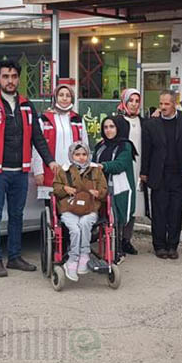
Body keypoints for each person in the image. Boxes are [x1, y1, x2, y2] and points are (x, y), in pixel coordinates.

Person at [0, 59, 59, 278]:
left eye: (13, 76)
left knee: (16, 215)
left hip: (20, 172)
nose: (10, 81)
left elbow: (38, 138)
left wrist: (50, 161)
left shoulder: (27, 105)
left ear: (18, 79)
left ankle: (14, 257)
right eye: (5, 76)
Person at [140, 90, 182, 259]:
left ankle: (173, 245)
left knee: (176, 211)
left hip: (180, 174)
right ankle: (159, 245)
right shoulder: (151, 124)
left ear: (174, 104)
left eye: (167, 104)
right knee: (159, 212)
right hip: (159, 174)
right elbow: (146, 149)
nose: (163, 107)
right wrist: (144, 172)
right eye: (161, 104)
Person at [53, 143, 107, 282]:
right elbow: (55, 188)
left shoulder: (96, 170)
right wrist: (65, 188)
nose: (81, 157)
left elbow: (104, 190)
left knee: (84, 224)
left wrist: (98, 193)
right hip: (69, 207)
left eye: (84, 154)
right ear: (72, 156)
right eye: (77, 155)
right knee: (75, 230)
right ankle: (72, 260)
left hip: (90, 207)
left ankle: (84, 255)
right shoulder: (63, 170)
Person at [93, 116, 138, 262]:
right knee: (104, 218)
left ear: (118, 128)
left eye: (112, 127)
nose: (108, 130)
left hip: (119, 188)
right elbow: (93, 162)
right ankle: (106, 246)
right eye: (105, 127)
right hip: (101, 187)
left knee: (117, 217)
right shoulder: (100, 146)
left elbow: (120, 165)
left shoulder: (125, 146)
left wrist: (103, 166)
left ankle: (118, 251)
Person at [32, 84, 88, 195]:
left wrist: (85, 169)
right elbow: (37, 147)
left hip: (74, 172)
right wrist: (38, 171)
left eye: (68, 95)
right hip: (50, 171)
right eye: (61, 95)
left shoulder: (78, 119)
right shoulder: (44, 119)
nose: (64, 98)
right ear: (55, 98)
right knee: (51, 208)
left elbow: (85, 145)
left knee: (71, 208)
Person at [116, 88, 143, 256]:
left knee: (134, 205)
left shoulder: (144, 122)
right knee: (121, 203)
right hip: (122, 168)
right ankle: (116, 239)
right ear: (124, 102)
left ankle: (127, 239)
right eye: (130, 101)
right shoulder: (118, 121)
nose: (133, 104)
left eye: (136, 101)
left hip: (138, 168)